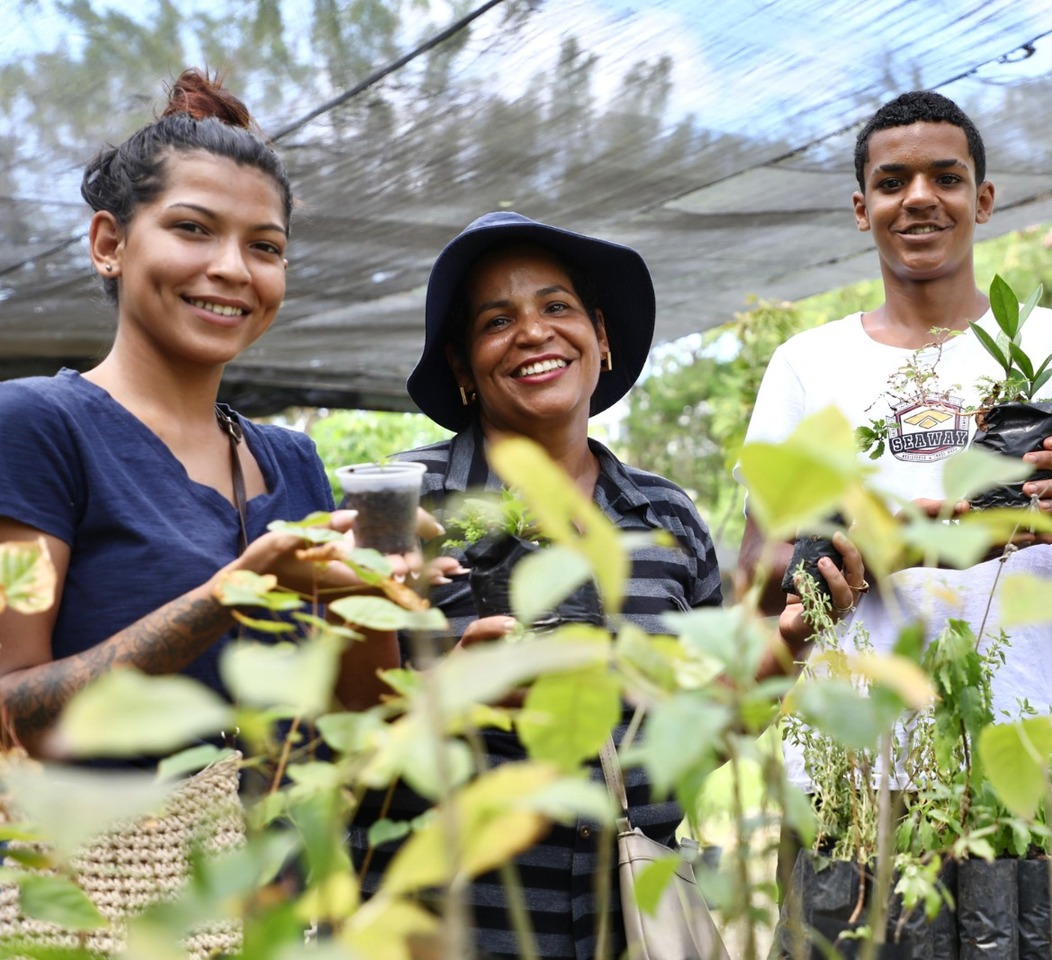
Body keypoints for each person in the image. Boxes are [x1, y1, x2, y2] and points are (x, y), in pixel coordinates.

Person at [354, 211, 864, 959]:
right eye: (498, 320)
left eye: (556, 308)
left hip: (625, 927)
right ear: (463, 367)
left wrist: (785, 647)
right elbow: (330, 740)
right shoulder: (402, 509)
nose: (533, 332)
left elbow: (699, 738)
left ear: (601, 337)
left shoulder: (664, 517)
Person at [739, 90, 1052, 782]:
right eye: (892, 183)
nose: (919, 198)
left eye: (946, 177)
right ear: (860, 209)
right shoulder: (806, 366)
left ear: (983, 199)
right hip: (841, 782)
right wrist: (866, 550)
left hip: (1010, 777)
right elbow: (756, 578)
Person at [0, 70, 407, 758]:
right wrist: (228, 597)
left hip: (288, 860)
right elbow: (10, 716)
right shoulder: (36, 427)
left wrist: (379, 588)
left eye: (265, 246)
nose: (233, 268)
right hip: (109, 860)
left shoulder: (294, 462)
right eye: (193, 229)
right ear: (109, 245)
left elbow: (361, 718)